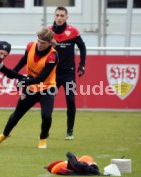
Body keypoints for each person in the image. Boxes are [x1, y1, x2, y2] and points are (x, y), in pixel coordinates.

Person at [0, 27, 59, 149]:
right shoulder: (30, 46)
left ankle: (43, 139)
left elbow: (41, 79)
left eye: (43, 43)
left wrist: (23, 82)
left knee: (46, 116)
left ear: (50, 43)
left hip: (47, 88)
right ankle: (4, 135)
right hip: (30, 86)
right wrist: (13, 73)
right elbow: (22, 62)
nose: (39, 44)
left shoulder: (52, 56)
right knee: (17, 114)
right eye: (38, 40)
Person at [49, 6, 86, 140]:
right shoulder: (48, 32)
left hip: (68, 74)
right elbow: (40, 49)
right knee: (48, 101)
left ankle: (70, 130)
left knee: (70, 100)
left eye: (62, 15)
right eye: (57, 15)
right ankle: (45, 131)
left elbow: (82, 47)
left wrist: (82, 65)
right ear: (54, 16)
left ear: (66, 17)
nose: (59, 18)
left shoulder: (73, 32)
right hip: (52, 74)